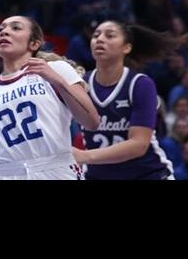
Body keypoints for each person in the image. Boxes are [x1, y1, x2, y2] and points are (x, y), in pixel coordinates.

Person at [0, 16, 100, 179]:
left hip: (56, 171)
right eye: (0, 29)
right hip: (7, 174)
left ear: (34, 43)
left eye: (15, 28)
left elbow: (92, 121)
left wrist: (58, 81)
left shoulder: (56, 69)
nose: (4, 32)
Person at [74, 21, 181, 180]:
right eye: (96, 35)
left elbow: (139, 145)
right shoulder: (80, 84)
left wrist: (85, 156)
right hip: (98, 175)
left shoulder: (140, 84)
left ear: (126, 47)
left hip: (147, 174)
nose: (100, 39)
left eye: (109, 35)